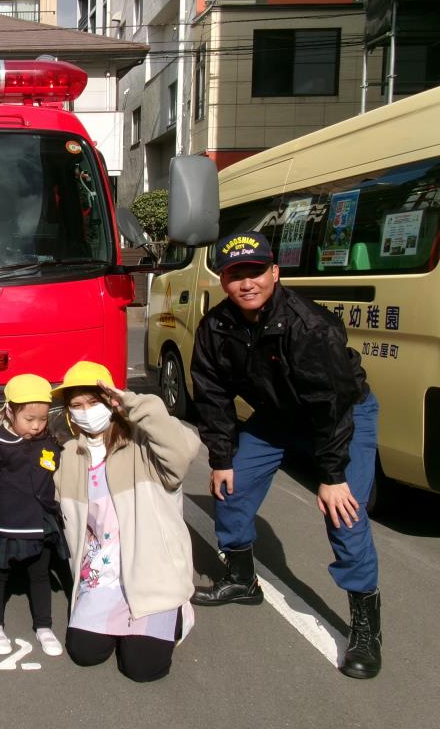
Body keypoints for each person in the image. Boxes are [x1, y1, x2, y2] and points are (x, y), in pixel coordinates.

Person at [190, 230, 383, 679]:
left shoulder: (308, 325)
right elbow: (212, 395)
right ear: (223, 280)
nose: (247, 283)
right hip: (278, 416)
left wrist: (331, 476)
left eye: (256, 272)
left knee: (344, 513)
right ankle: (241, 579)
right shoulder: (216, 327)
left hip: (341, 415)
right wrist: (221, 458)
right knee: (231, 485)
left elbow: (332, 405)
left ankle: (366, 628)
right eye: (236, 274)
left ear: (275, 272)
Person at [52, 361, 199, 682]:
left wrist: (134, 404)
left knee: (142, 668)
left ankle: (174, 611)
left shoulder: (142, 444)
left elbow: (184, 449)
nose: (85, 412)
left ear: (111, 401)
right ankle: (123, 627)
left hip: (151, 575)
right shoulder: (71, 455)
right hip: (101, 576)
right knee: (85, 653)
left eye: (93, 402)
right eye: (76, 405)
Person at [0, 373, 66, 658]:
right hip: (4, 525)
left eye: (43, 419)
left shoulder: (46, 441)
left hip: (37, 524)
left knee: (40, 576)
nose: (36, 426)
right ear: (10, 412)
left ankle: (44, 626)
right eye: (29, 419)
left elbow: (55, 462)